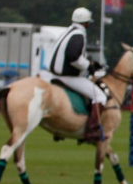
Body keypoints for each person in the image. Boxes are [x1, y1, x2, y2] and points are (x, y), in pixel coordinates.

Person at [45, 8, 107, 142]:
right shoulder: (79, 34)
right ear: (86, 23)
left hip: (53, 75)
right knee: (101, 97)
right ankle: (91, 131)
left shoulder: (67, 31)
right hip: (68, 77)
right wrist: (89, 66)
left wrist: (88, 63)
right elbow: (73, 57)